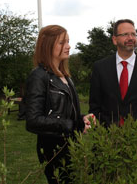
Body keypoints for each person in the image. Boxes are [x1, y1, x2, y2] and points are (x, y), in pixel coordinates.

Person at [25, 25, 93, 184]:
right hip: (53, 148)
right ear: (47, 45)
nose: (68, 46)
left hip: (70, 145)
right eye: (62, 42)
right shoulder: (39, 76)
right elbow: (33, 120)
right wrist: (73, 125)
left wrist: (81, 119)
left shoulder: (64, 75)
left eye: (68, 41)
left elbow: (62, 111)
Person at [89, 19, 137, 130]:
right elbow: (95, 107)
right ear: (114, 40)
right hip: (106, 141)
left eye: (133, 34)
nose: (130, 38)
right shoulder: (100, 68)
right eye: (125, 34)